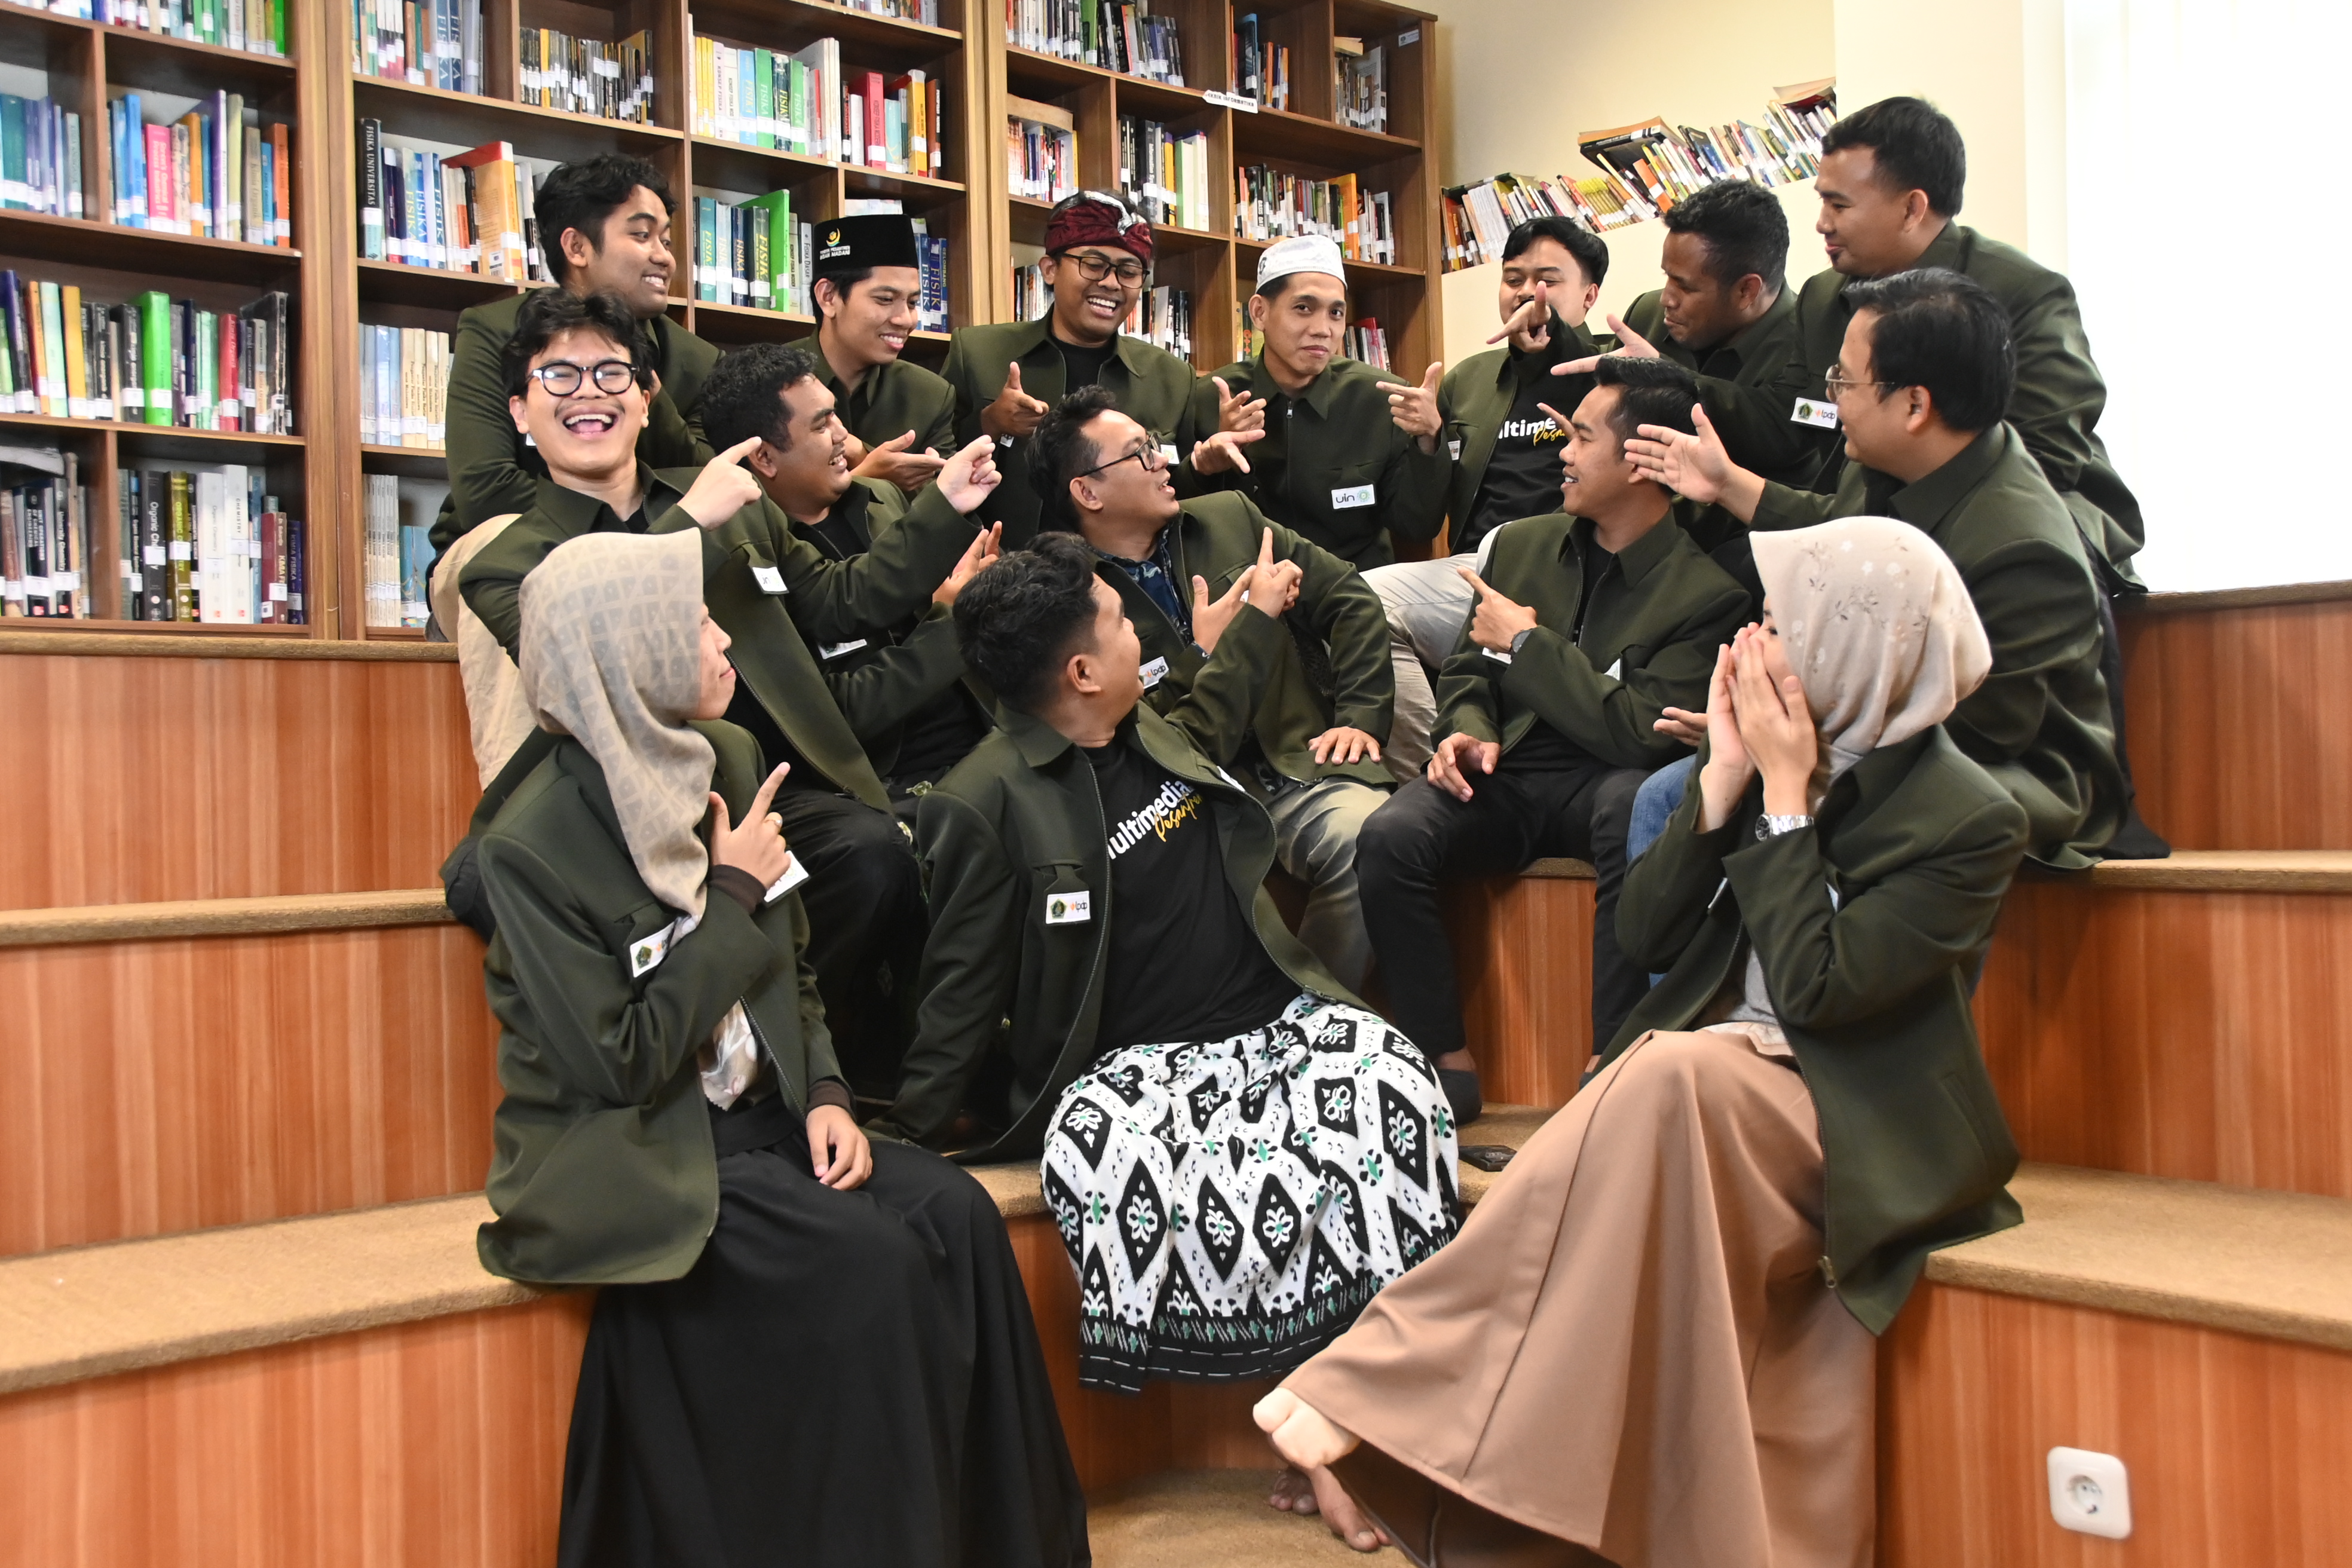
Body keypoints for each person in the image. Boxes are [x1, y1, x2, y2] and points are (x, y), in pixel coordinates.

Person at [1257, 515, 2029, 1566]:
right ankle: (1458, 1454)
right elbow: (1648, 935)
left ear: (1857, 647)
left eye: (1782, 625)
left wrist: (1788, 803)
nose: (1752, 643)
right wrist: (1721, 784)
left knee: (1662, 1071)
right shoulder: (1765, 751)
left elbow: (1820, 995)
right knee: (1662, 1077)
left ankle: (1375, 1381)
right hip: (1720, 1079)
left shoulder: (1970, 815)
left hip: (1851, 1100)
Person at [471, 526, 1088, 1568]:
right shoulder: (528, 845)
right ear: (628, 651)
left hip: (763, 1117)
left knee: (964, 1217)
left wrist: (831, 1091)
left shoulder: (732, 756)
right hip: (642, 1139)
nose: (725, 640)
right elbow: (622, 1061)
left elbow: (790, 967)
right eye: (696, 623)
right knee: (875, 1267)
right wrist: (733, 893)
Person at [868, 535, 1459, 1407]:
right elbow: (963, 983)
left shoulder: (1145, 722)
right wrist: (911, 1130)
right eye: (1118, 623)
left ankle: (1379, 1387)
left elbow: (1210, 708)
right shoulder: (980, 800)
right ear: (1080, 673)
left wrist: (1254, 624)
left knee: (1396, 1081)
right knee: (1177, 1168)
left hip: (1277, 1022)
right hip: (1139, 1071)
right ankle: (1306, 1408)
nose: (1137, 634)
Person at [459, 287, 1004, 1095]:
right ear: (519, 411)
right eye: (560, 377)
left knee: (873, 852)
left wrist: (947, 506)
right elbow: (586, 659)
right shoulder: (503, 563)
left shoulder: (731, 496)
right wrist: (689, 526)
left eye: (612, 373)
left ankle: (803, 1075)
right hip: (623, 812)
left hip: (762, 784)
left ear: (646, 397)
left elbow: (843, 600)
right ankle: (718, 1083)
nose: (589, 394)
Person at [1356, 357, 1750, 1124]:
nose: (1562, 453)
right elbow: (1468, 670)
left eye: (1582, 437)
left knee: (1633, 807)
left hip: (1603, 780)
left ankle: (1614, 1058)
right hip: (1506, 773)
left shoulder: (1709, 595)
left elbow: (1641, 733)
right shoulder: (1520, 545)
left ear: (1641, 461)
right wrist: (1464, 730)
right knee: (1389, 834)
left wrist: (1529, 646)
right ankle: (1442, 1062)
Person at [1631, 267, 2124, 871]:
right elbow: (1835, 537)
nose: (1831, 396)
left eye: (1844, 379)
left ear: (1915, 404)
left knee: (1702, 795)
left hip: (1997, 777)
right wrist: (1727, 484)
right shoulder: (1896, 460)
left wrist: (1787, 731)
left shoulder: (2023, 550)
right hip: (1871, 738)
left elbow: (1976, 731)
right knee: (1673, 791)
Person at [1789, 95, 2164, 854]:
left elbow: (2051, 444)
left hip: (2032, 490)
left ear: (1912, 207)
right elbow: (1830, 425)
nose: (1821, 222)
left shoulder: (2023, 288)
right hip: (1897, 488)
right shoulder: (1826, 297)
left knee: (2038, 548)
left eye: (1838, 203)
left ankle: (2100, 792)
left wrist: (1917, 510)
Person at [1031, 385, 1394, 990]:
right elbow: (1135, 732)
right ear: (1088, 492)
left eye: (1155, 444)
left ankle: (1312, 1009)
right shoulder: (1072, 599)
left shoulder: (1230, 516)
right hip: (1183, 801)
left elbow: (1349, 598)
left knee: (1374, 837)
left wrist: (1360, 715)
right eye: (1139, 453)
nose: (1162, 462)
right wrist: (1204, 652)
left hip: (1296, 763)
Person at [700, 340, 997, 819]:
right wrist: (955, 620)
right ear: (764, 459)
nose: (846, 436)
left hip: (984, 737)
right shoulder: (745, 564)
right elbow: (836, 713)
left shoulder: (882, 496)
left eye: (836, 415)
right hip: (886, 788)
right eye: (822, 425)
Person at [1364, 216, 1610, 779]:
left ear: (1589, 295)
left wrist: (1555, 340)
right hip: (1477, 573)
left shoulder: (1610, 373)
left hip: (1571, 572)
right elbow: (1421, 522)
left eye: (1547, 280)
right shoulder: (1469, 379)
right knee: (1361, 603)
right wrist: (1429, 442)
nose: (1527, 293)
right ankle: (1435, 767)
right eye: (1514, 279)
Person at [430, 153, 715, 565]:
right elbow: (485, 490)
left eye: (666, 242)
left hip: (663, 551)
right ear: (577, 247)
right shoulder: (498, 330)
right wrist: (626, 533)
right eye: (642, 236)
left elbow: (709, 481)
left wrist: (652, 399)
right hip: (515, 547)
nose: (665, 258)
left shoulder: (697, 359)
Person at [942, 191, 1205, 545]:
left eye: (1129, 272)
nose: (1111, 283)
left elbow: (1179, 492)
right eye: (1094, 265)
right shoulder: (978, 353)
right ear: (1050, 269)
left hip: (1123, 571)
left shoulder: (1172, 378)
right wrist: (990, 424)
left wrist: (1207, 465)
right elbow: (933, 468)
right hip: (1000, 564)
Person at [1188, 234, 1450, 571]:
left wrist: (1429, 438)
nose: (1323, 329)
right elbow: (1184, 524)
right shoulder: (1213, 396)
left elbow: (1417, 527)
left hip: (1356, 584)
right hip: (1250, 584)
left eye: (1336, 313)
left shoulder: (1382, 398)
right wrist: (1211, 466)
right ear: (1259, 312)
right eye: (1303, 308)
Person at [1561, 177, 1815, 504]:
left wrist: (1666, 377)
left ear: (1746, 290)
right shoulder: (1648, 316)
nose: (1666, 298)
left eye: (1685, 286)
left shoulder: (1810, 339)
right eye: (1667, 276)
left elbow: (1784, 437)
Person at [807, 213, 960, 496]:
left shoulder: (931, 396)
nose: (905, 320)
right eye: (885, 300)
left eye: (912, 303)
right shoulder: (769, 383)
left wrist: (861, 454)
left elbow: (944, 507)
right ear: (828, 297)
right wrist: (869, 472)